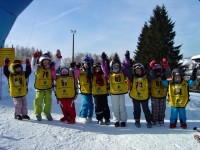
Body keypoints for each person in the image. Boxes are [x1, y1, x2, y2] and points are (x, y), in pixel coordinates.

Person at [101, 52, 128, 127]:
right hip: (114, 93)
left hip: (121, 92)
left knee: (122, 107)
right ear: (112, 67)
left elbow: (126, 66)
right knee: (115, 107)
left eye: (117, 66)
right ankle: (116, 120)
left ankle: (123, 120)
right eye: (114, 66)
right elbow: (104, 68)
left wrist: (126, 59)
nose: (116, 67)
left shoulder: (123, 73)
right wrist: (103, 61)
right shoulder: (109, 74)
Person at [31, 52, 58, 121]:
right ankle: (38, 113)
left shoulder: (51, 69)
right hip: (39, 88)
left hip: (48, 88)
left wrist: (58, 58)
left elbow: (57, 64)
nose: (46, 63)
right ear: (41, 62)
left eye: (47, 62)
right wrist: (34, 57)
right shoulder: (37, 68)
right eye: (44, 61)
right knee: (38, 101)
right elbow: (33, 64)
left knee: (48, 101)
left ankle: (47, 113)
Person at [128, 63, 152, 128]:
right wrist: (129, 65)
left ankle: (149, 121)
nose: (138, 71)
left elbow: (152, 76)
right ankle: (137, 120)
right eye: (136, 70)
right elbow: (128, 73)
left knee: (146, 109)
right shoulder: (133, 77)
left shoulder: (146, 76)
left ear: (142, 70)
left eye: (139, 70)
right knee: (136, 109)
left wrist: (148, 70)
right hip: (135, 96)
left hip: (144, 96)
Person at [73, 56, 94, 124]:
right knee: (86, 103)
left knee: (91, 104)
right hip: (83, 90)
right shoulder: (80, 71)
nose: (87, 64)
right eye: (85, 63)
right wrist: (76, 68)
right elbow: (75, 75)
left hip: (91, 90)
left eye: (89, 63)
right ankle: (83, 116)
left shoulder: (92, 71)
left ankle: (89, 116)